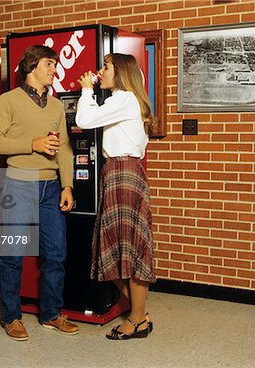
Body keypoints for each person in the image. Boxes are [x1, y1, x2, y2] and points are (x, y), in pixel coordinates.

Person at [0, 45, 79, 341]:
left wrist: (67, 185)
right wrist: (32, 144)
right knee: (12, 255)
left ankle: (51, 313)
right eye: (50, 64)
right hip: (18, 185)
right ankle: (11, 317)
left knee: (56, 255)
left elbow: (63, 148)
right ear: (32, 66)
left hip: (51, 189)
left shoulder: (55, 106)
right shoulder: (8, 101)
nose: (54, 69)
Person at [76, 53, 156, 340]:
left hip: (122, 174)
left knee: (128, 250)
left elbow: (84, 118)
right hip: (119, 173)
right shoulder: (127, 98)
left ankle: (136, 320)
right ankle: (140, 315)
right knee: (117, 249)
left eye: (106, 67)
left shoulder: (123, 99)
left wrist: (87, 89)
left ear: (120, 72)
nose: (100, 71)